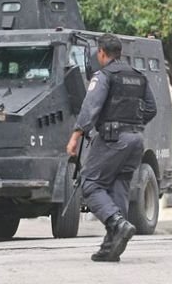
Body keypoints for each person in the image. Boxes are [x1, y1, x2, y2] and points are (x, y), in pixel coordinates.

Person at [66, 34, 156, 262]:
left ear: (102, 53)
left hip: (113, 139)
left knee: (90, 184)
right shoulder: (138, 76)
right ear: (121, 53)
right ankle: (111, 246)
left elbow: (91, 107)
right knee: (119, 187)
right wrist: (133, 123)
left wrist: (76, 135)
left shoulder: (104, 76)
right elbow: (151, 108)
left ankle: (118, 224)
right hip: (136, 140)